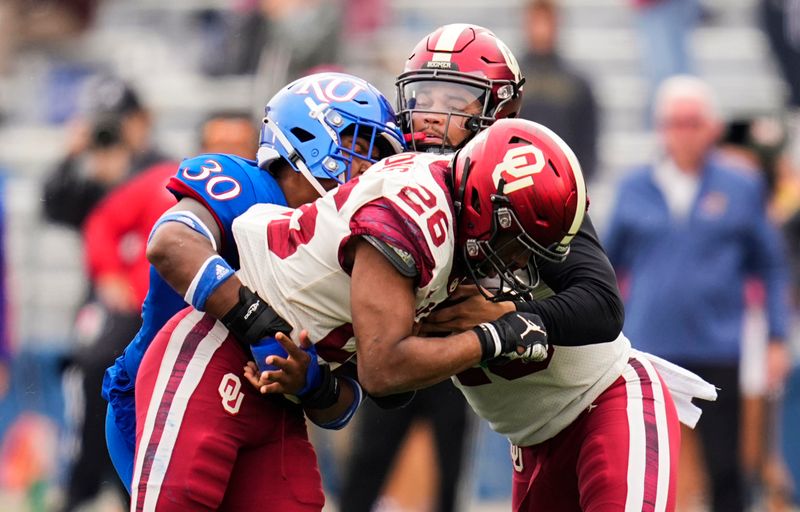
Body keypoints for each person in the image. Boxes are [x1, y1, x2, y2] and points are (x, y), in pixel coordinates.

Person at [102, 71, 405, 494]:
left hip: (267, 416)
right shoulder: (247, 184)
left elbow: (344, 405)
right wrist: (262, 325)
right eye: (360, 146)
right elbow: (171, 244)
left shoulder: (355, 244)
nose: (369, 167)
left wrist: (310, 382)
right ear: (309, 135)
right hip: (161, 396)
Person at [339, 23, 524, 511]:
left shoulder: (514, 180)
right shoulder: (384, 170)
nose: (434, 114)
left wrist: (508, 317)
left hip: (462, 360)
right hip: (393, 343)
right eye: (426, 96)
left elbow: (572, 295)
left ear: (500, 110)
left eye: (456, 100)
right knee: (366, 469)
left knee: (449, 483)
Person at [604, 75, 792, 512]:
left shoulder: (740, 187)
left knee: (727, 467)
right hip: (650, 352)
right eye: (675, 122)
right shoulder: (635, 188)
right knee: (645, 467)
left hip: (718, 348)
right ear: (660, 127)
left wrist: (777, 337)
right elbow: (606, 266)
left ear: (710, 127)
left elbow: (771, 263)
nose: (684, 132)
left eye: (693, 122)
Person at [517, 0, 599, 182]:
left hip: (565, 182)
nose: (541, 30)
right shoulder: (510, 78)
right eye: (536, 22)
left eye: (546, 22)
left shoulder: (577, 83)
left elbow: (588, 144)